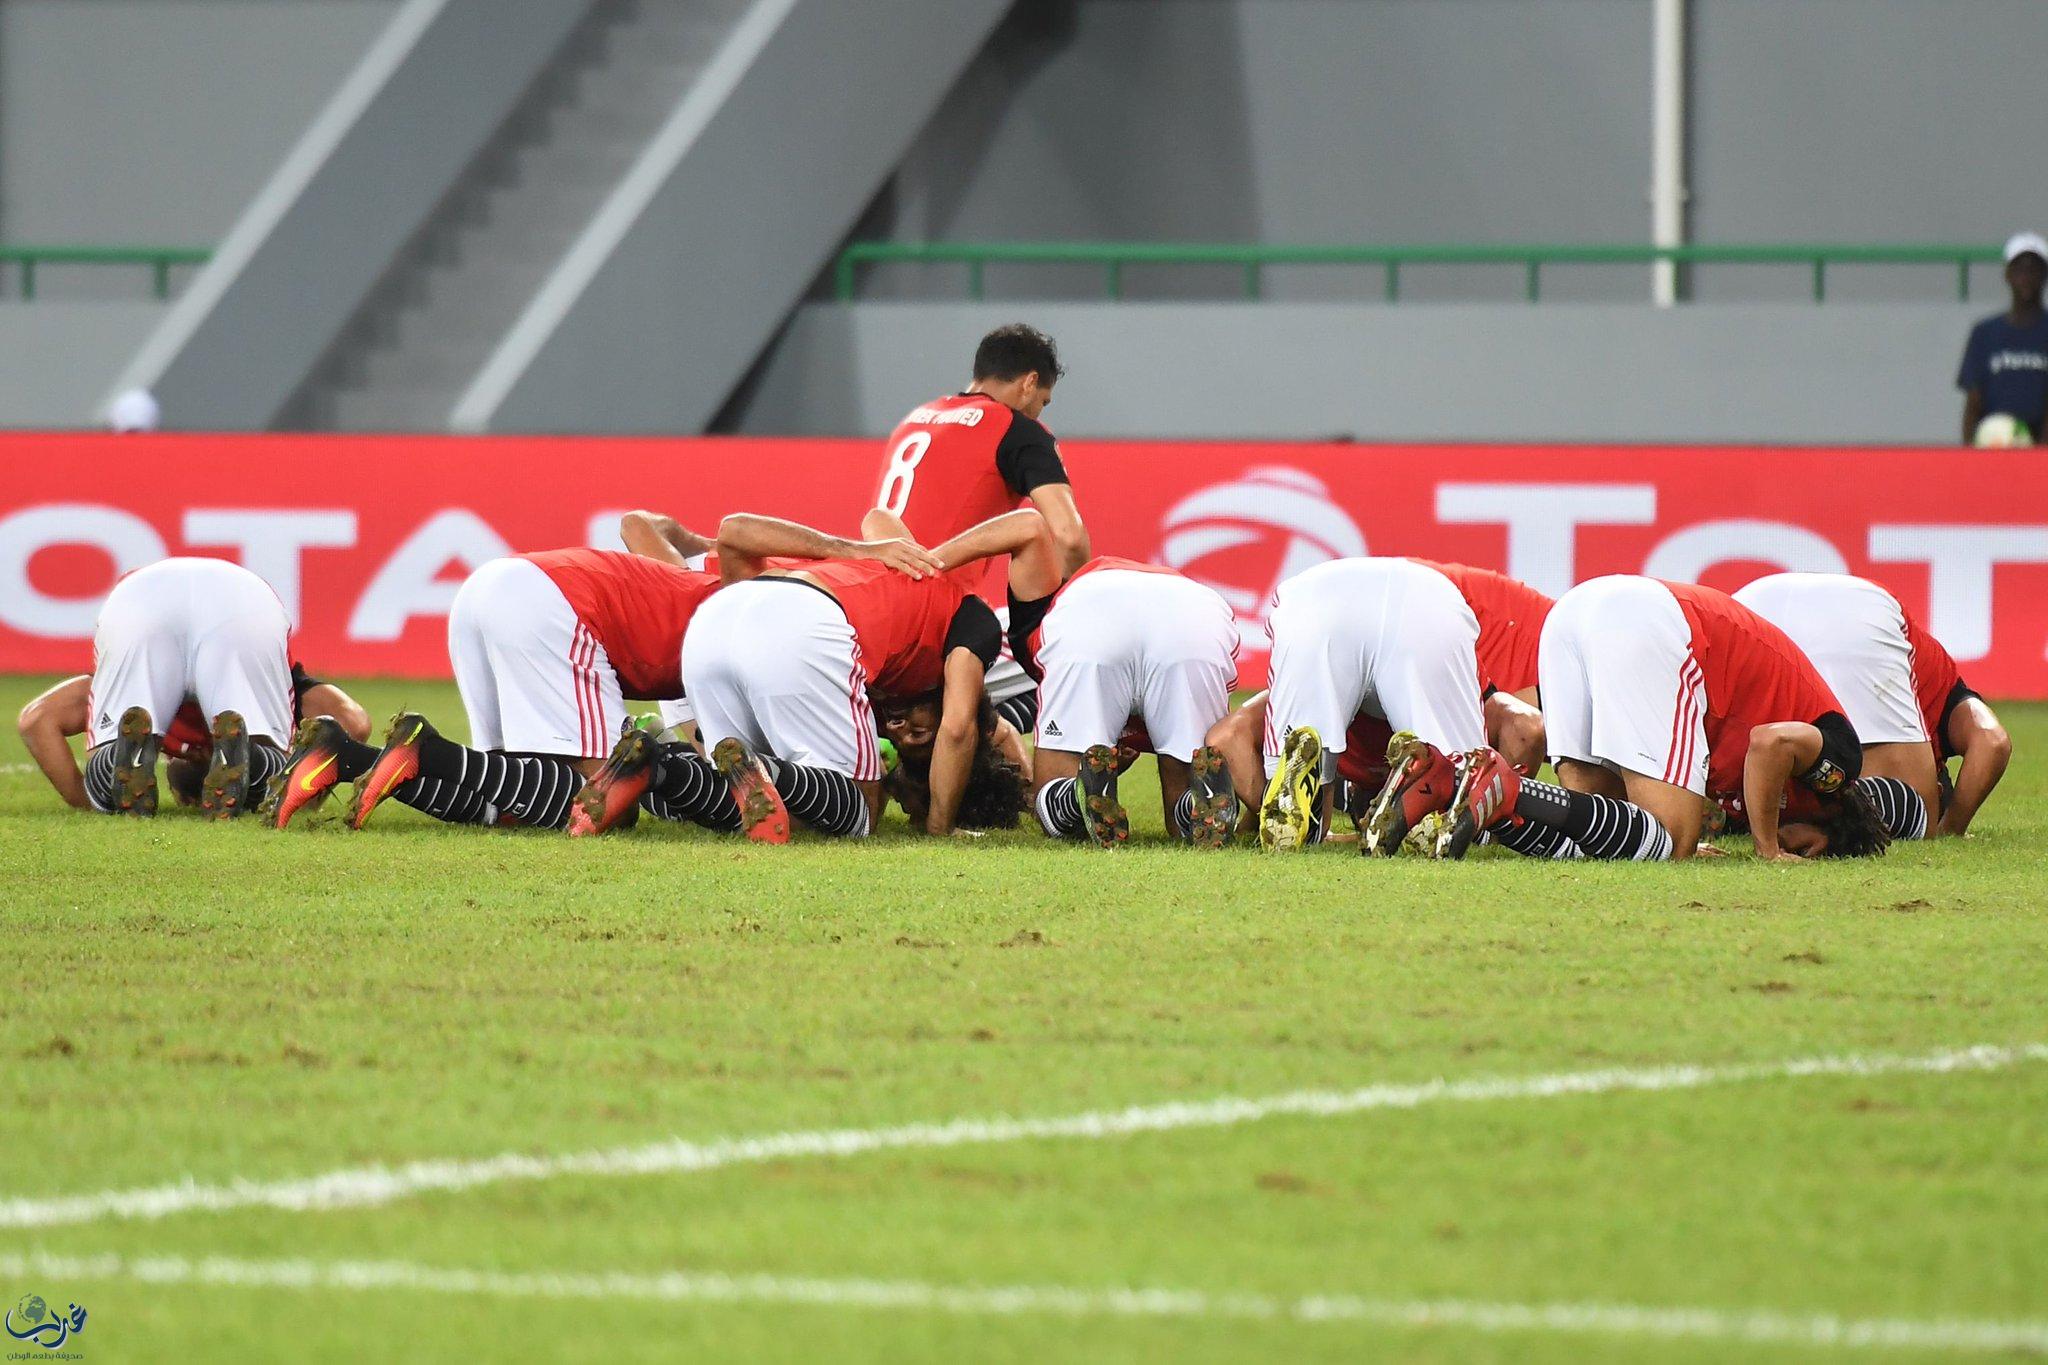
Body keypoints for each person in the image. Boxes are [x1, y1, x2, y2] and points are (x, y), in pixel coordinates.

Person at [648, 509, 1039, 842]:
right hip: (802, 623)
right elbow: (959, 729)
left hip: (712, 622)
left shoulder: (896, 571)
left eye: (905, 743)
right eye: (919, 734)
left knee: (760, 804)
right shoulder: (967, 617)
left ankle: (657, 767)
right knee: (858, 812)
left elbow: (877, 517)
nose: (901, 730)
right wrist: (940, 826)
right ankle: (754, 768)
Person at [1451, 576, 1902, 862]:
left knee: (1600, 839)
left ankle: (1488, 794)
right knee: (1669, 841)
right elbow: (1770, 744)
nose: (1792, 842)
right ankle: (1502, 788)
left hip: (1575, 611)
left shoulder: (1765, 802)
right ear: (1824, 836)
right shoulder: (1837, 768)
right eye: (1803, 847)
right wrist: (1768, 849)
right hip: (1657, 623)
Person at [326, 542, 741, 833]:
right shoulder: (743, 623)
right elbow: (722, 766)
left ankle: (346, 757)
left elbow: (640, 523)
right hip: (554, 604)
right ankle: (429, 751)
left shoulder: (709, 585)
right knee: (613, 797)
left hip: (489, 587)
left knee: (512, 802)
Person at [871, 322, 1090, 733]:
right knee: (1072, 666)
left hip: (872, 603)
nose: (1041, 410)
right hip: (934, 617)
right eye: (1044, 400)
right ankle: (980, 741)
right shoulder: (1017, 430)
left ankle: (910, 732)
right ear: (1029, 383)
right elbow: (1069, 534)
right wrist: (1082, 600)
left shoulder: (916, 419)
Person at [14, 558, 332, 818]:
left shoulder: (137, 709)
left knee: (110, 765)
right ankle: (252, 758)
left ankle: (114, 775)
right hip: (241, 599)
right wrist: (307, 796)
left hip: (143, 597)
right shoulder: (289, 689)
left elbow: (34, 720)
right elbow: (354, 719)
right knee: (272, 771)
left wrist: (87, 801)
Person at [1004, 529, 1240, 848]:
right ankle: (1195, 803)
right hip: (1194, 615)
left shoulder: (1040, 629)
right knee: (1183, 809)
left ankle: (1073, 797)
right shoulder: (1178, 587)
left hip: (1092, 614)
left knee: (1051, 801)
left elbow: (1027, 528)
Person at [1252, 557, 1497, 853]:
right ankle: (1427, 806)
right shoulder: (1437, 589)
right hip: (1426, 605)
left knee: (1307, 749)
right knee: (1462, 779)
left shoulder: (1305, 587)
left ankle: (1301, 807)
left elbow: (1229, 735)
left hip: (1315, 602)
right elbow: (1521, 725)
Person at [1731, 573, 1938, 839]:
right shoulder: (1937, 677)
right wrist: (1951, 826)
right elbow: (1992, 743)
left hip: (1749, 605)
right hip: (1861, 613)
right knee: (1919, 818)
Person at [1958, 232, 2048, 445]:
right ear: (2008, 274)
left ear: (2045, 275)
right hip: (1993, 446)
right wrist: (1968, 455)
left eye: (2034, 269)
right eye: (2019, 269)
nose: (2026, 277)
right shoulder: (1985, 333)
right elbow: (1973, 401)